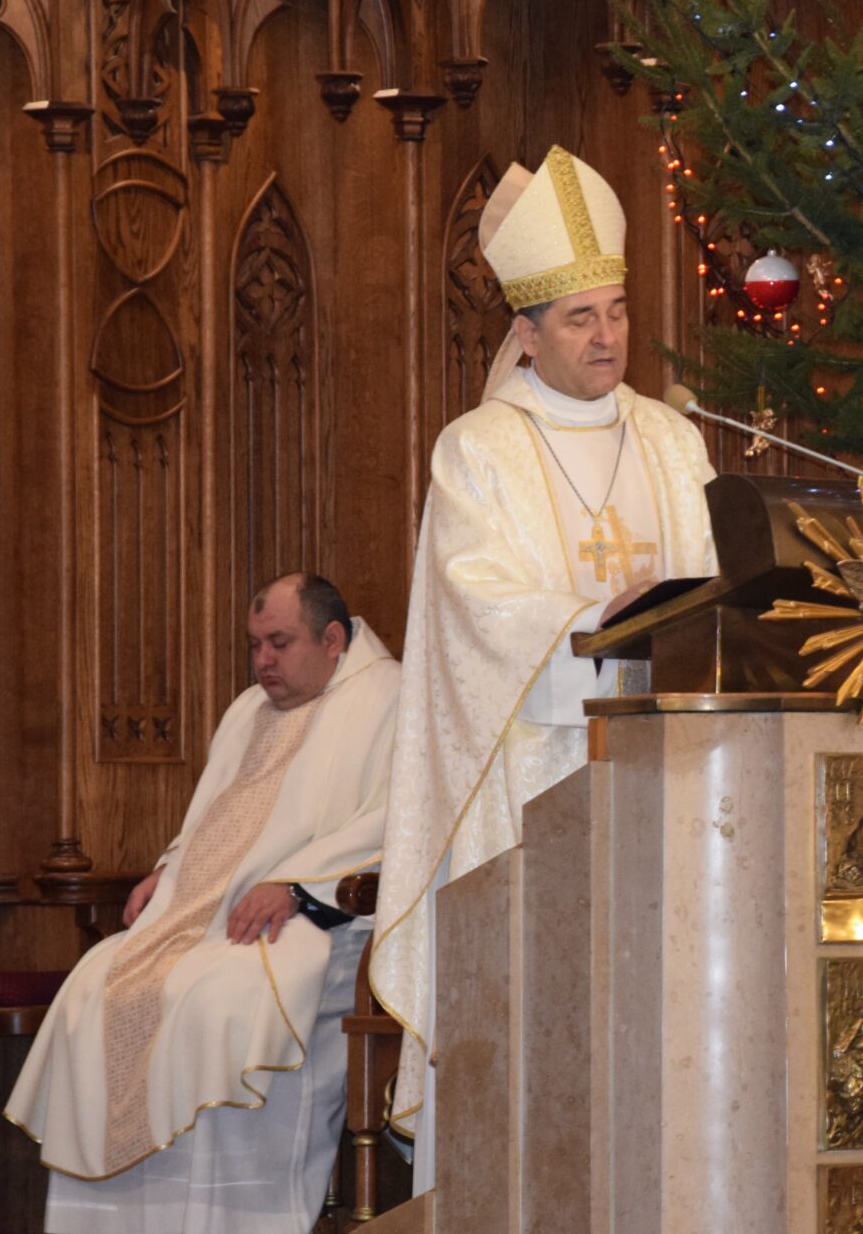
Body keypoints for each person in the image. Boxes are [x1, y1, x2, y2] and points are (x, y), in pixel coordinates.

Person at [367, 145, 718, 1191]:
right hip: (529, 798)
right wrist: (591, 620)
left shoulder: (672, 440)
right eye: (578, 319)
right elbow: (475, 608)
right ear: (526, 333)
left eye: (616, 311)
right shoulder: (479, 448)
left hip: (672, 786)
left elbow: (718, 586)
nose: (606, 336)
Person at [6, 573, 401, 1234]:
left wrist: (298, 885)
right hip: (211, 918)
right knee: (96, 984)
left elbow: (395, 821)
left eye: (279, 643)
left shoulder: (389, 698)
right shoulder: (247, 710)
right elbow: (214, 820)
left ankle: (229, 1217)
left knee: (221, 1001)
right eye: (254, 645)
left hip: (324, 922)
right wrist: (169, 870)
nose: (262, 661)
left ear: (332, 639)